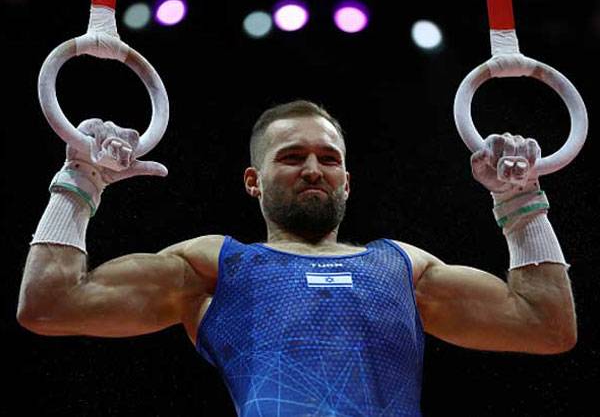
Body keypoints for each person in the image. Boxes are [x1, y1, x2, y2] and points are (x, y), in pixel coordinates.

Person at [17, 100, 576, 416]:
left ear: (348, 182)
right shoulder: (214, 268)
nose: (314, 168)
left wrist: (521, 199)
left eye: (328, 158)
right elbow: (50, 305)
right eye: (292, 156)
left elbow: (547, 326)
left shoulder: (405, 269)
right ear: (253, 182)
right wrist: (80, 181)